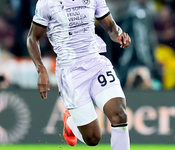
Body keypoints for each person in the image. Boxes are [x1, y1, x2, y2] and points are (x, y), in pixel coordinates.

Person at [27, 0, 131, 149]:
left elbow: (110, 27)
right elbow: (32, 38)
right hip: (71, 72)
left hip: (96, 63)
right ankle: (70, 123)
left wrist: (119, 34)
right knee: (93, 138)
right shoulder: (47, 3)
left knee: (119, 115)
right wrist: (41, 69)